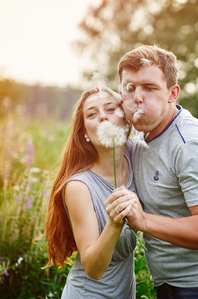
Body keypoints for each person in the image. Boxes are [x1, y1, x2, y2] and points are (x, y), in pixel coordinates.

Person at [110, 45, 198, 298]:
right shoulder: (140, 136)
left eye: (149, 88)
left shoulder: (189, 144)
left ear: (173, 93)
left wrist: (144, 221)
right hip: (170, 287)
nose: (138, 97)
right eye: (130, 88)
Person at [38, 87, 138, 298]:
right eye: (92, 114)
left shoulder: (136, 156)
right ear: (84, 132)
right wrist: (114, 223)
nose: (102, 116)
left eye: (111, 109)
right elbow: (93, 268)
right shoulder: (79, 187)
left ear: (125, 119)